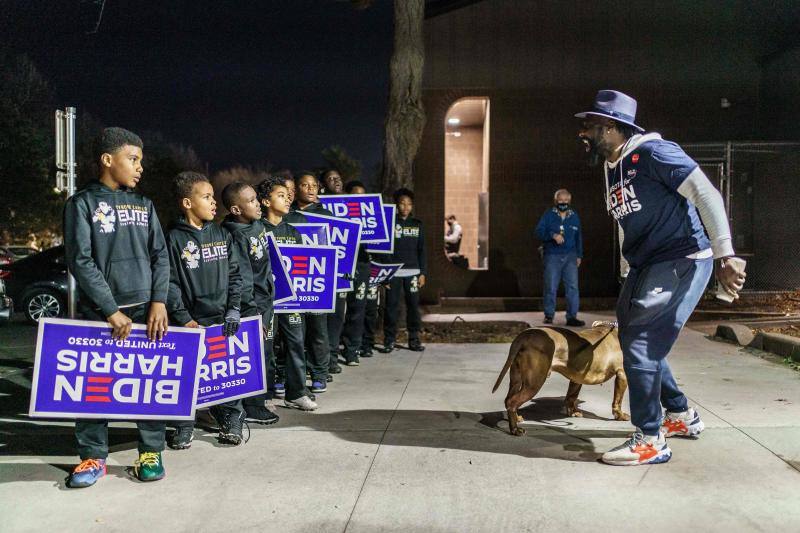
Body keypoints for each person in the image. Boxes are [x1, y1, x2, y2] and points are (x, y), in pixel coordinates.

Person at [576, 90, 746, 466]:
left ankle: (651, 439)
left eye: (590, 126)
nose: (583, 133)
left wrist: (726, 254)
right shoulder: (612, 167)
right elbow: (626, 222)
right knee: (633, 337)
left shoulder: (654, 153)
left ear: (614, 127)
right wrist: (626, 270)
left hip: (681, 258)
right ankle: (680, 415)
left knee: (642, 343)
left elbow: (706, 194)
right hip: (644, 265)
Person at [63, 127, 169, 487]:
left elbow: (160, 256)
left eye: (141, 160)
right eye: (133, 159)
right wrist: (110, 308)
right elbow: (81, 261)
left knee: (149, 385)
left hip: (145, 314)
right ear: (108, 160)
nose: (140, 168)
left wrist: (158, 300)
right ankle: (93, 458)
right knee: (95, 387)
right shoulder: (81, 204)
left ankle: (150, 452)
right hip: (102, 315)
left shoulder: (144, 204)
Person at [165, 172, 245, 448]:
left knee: (226, 372)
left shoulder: (223, 234)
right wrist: (182, 317)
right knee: (187, 376)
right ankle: (183, 425)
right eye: (207, 197)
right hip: (189, 323)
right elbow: (169, 282)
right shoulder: (173, 238)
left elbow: (235, 275)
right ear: (187, 203)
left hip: (222, 319)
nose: (213, 203)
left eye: (213, 197)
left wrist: (234, 309)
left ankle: (232, 419)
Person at [257, 176, 318, 411]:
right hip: (267, 302)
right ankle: (266, 395)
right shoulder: (257, 230)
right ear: (265, 201)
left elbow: (303, 267)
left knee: (296, 343)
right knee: (267, 347)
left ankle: (296, 393)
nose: (288, 198)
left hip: (291, 301)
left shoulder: (293, 231)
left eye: (287, 195)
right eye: (280, 195)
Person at [221, 181, 279, 425]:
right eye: (252, 201)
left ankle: (262, 397)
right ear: (236, 210)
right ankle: (252, 406)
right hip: (251, 306)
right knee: (255, 355)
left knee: (267, 354)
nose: (257, 204)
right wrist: (252, 312)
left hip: (266, 302)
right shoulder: (233, 234)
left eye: (257, 199)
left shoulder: (257, 226)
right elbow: (242, 277)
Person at [292, 171, 335, 390]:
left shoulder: (326, 215)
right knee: (295, 333)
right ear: (295, 189)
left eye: (314, 186)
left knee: (319, 331)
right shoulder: (287, 215)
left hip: (318, 282)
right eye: (304, 185)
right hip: (294, 282)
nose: (310, 189)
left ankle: (319, 373)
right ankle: (290, 373)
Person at [381, 188, 426, 353]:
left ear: (412, 206)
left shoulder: (417, 225)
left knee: (413, 306)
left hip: (413, 272)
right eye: (402, 203)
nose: (405, 207)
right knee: (391, 307)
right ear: (396, 205)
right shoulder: (389, 223)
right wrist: (385, 274)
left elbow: (422, 250)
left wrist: (423, 273)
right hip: (394, 273)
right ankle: (389, 340)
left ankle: (414, 339)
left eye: (409, 204)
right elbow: (383, 250)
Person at [535, 189, 585, 326]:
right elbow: (539, 231)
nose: (563, 203)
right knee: (551, 286)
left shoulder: (574, 216)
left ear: (569, 201)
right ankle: (549, 315)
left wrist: (579, 255)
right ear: (556, 201)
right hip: (552, 255)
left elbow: (578, 237)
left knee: (573, 287)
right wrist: (553, 235)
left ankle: (572, 317)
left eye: (566, 201)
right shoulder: (548, 215)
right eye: (560, 201)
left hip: (570, 256)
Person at [339, 180, 372, 366]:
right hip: (342, 267)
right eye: (355, 196)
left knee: (358, 309)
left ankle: (352, 351)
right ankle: (333, 350)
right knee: (337, 312)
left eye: (362, 197)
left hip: (362, 266)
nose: (358, 200)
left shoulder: (371, 218)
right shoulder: (339, 215)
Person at [319, 169, 347, 371]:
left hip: (343, 270)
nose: (336, 181)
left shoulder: (352, 205)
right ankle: (320, 360)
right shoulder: (317, 207)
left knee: (337, 316)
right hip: (320, 271)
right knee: (320, 320)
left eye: (338, 178)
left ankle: (333, 358)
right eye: (330, 178)